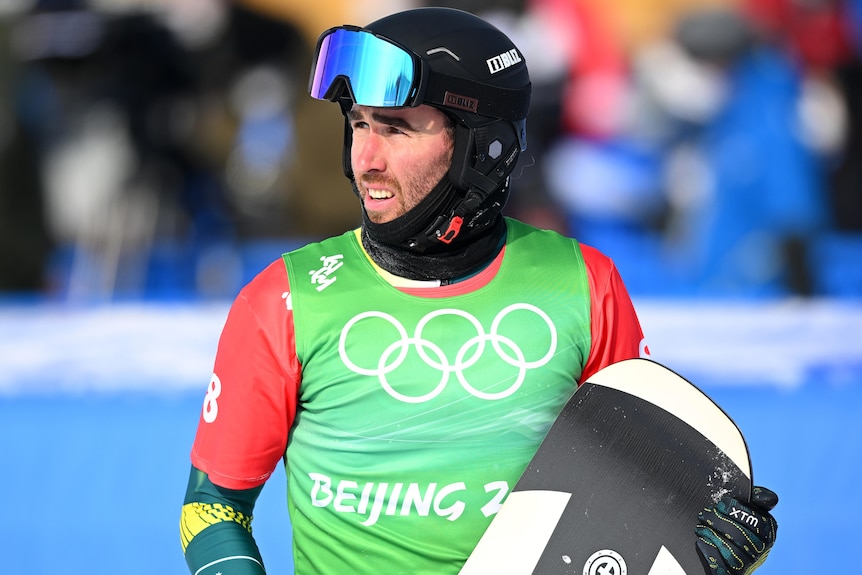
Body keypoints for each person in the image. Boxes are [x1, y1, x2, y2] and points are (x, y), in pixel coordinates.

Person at [179, 7, 778, 574]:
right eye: (358, 125)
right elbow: (211, 510)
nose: (365, 159)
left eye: (396, 129)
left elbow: (648, 504)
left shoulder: (582, 282)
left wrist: (715, 551)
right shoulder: (284, 299)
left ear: (480, 147)